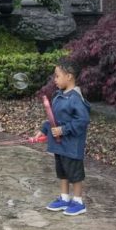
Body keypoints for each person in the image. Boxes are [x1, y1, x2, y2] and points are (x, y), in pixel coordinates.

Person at [42, 58, 91, 216]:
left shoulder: (76, 99)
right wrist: (43, 130)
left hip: (71, 145)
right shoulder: (59, 96)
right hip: (60, 145)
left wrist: (63, 130)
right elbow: (53, 118)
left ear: (69, 76)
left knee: (75, 174)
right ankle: (64, 198)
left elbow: (82, 121)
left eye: (57, 76)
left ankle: (78, 202)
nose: (54, 79)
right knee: (62, 171)